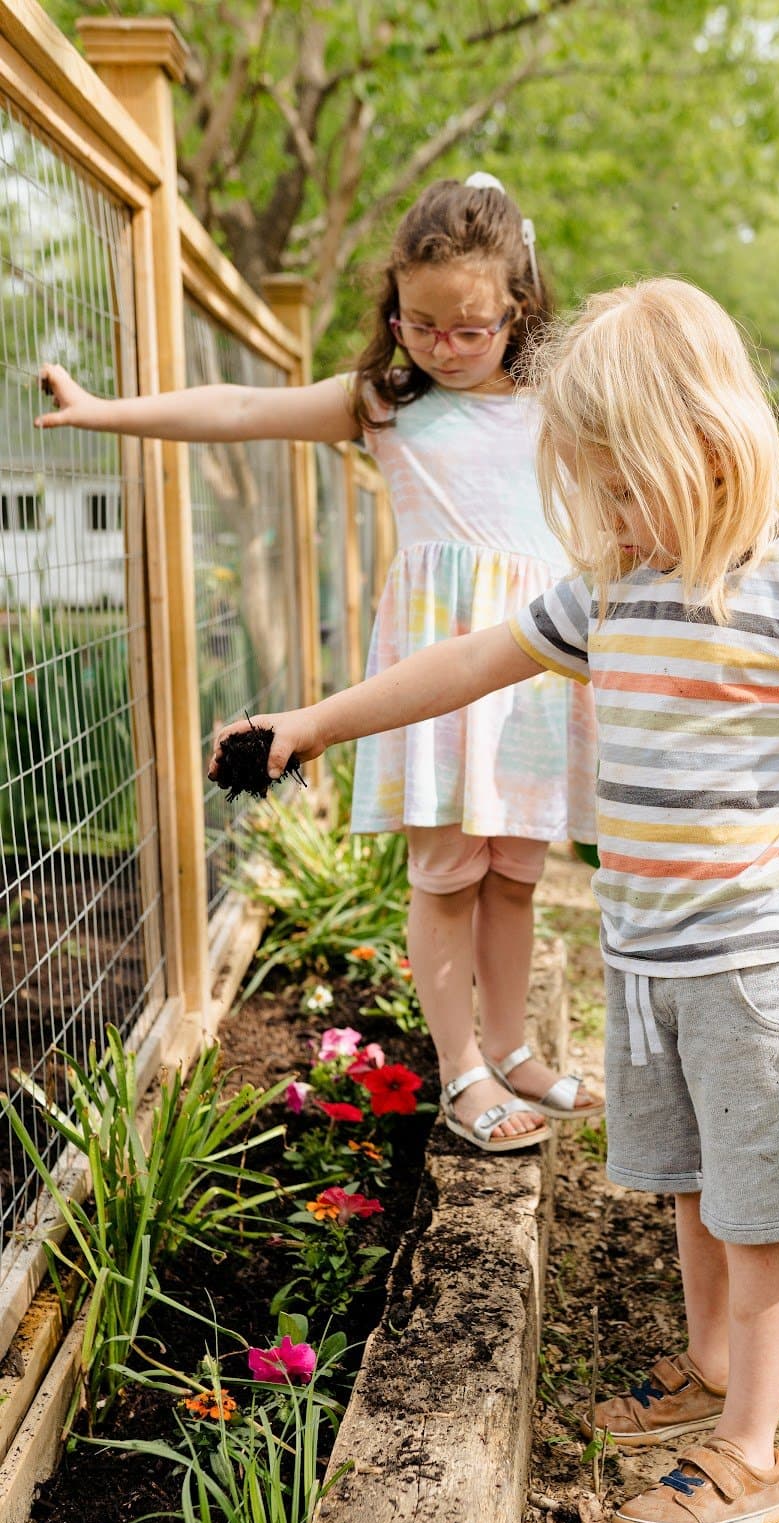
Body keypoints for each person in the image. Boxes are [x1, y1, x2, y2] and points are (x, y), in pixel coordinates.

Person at [210, 278, 779, 1523]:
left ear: (705, 444)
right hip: (642, 950)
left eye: (617, 480)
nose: (600, 511)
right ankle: (712, 1369)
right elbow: (469, 662)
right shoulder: (613, 587)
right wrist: (312, 724)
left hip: (751, 958)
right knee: (693, 1182)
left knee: (761, 1208)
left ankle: (755, 1456)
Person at [37, 173, 600, 1153]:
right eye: (420, 323)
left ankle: (514, 1051)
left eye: (471, 328)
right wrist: (102, 408)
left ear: (519, 306)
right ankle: (462, 1071)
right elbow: (240, 405)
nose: (444, 345)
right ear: (394, 310)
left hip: (536, 670)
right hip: (433, 671)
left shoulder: (560, 404)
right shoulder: (386, 403)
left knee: (516, 873)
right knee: (446, 877)